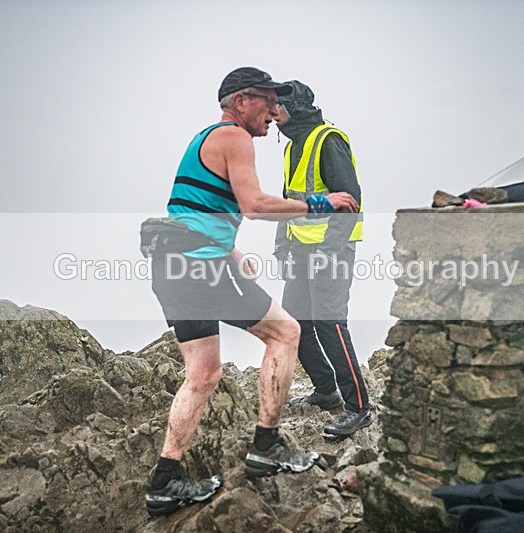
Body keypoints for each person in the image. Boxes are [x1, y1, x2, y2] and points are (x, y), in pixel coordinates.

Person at [144, 67, 359, 517]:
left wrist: (233, 250)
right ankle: (267, 446)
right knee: (285, 332)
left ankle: (163, 482)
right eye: (267, 99)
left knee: (202, 374)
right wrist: (324, 202)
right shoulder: (234, 137)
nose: (274, 110)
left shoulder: (204, 139)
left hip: (172, 264)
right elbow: (254, 205)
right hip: (200, 266)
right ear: (241, 101)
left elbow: (195, 207)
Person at [273, 80, 372, 437]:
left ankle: (359, 407)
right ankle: (326, 391)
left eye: (277, 105)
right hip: (300, 247)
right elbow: (290, 203)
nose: (272, 112)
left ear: (294, 107)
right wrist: (282, 246)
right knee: (294, 324)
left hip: (332, 248)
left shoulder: (328, 140)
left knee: (329, 322)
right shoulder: (292, 147)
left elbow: (350, 199)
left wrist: (328, 252)